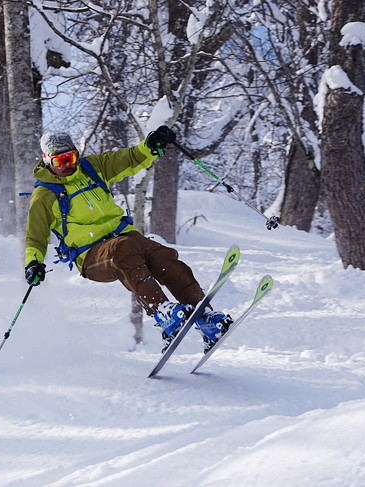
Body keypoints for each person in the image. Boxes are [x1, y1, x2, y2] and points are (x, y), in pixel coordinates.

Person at [23, 126, 233, 352]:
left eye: (71, 157)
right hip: (91, 255)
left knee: (163, 256)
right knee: (123, 247)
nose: (68, 165)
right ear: (47, 161)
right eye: (60, 160)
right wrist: (33, 262)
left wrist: (151, 146)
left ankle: (206, 318)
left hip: (125, 238)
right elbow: (35, 237)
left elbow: (129, 158)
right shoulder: (44, 195)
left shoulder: (91, 168)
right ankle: (163, 312)